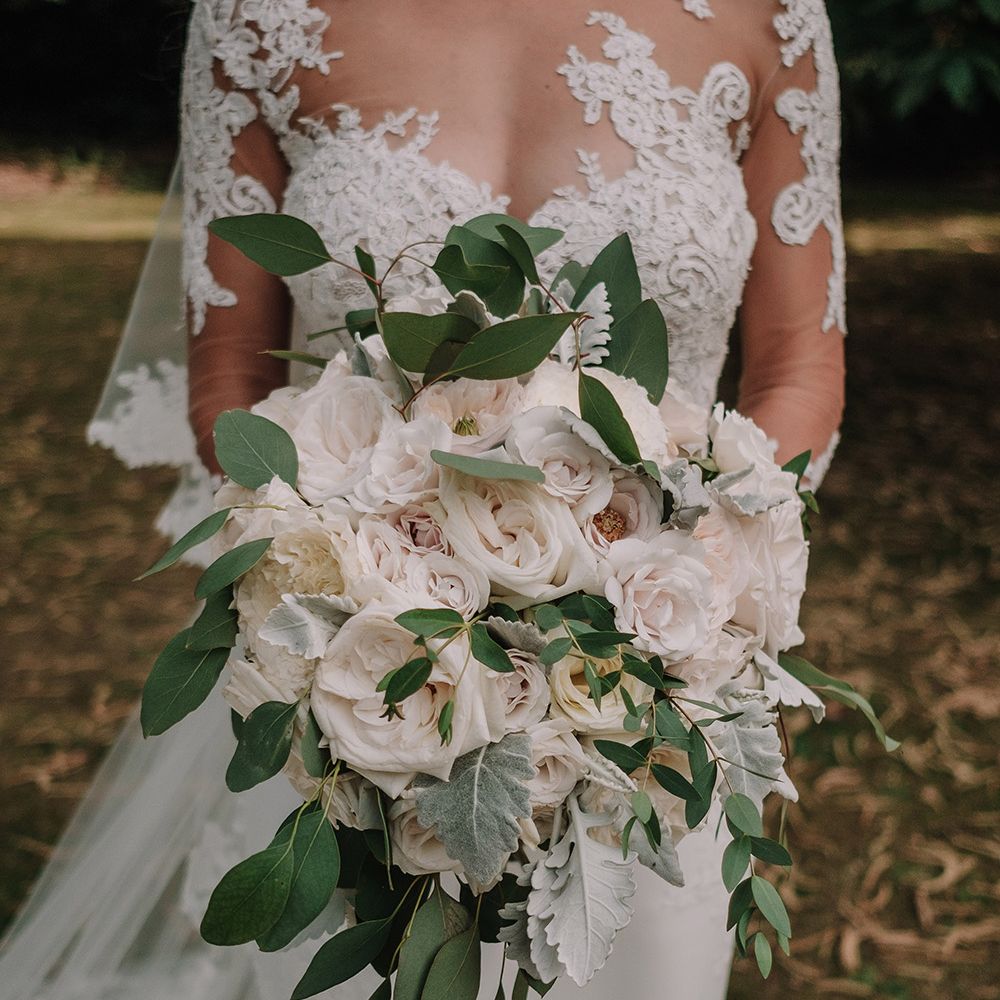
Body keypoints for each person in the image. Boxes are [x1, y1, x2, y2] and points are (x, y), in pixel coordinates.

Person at [0, 1, 845, 998]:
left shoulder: (770, 14)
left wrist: (681, 599)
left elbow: (797, 363)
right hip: (366, 682)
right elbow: (227, 375)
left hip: (652, 697)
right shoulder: (256, 18)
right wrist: (365, 582)